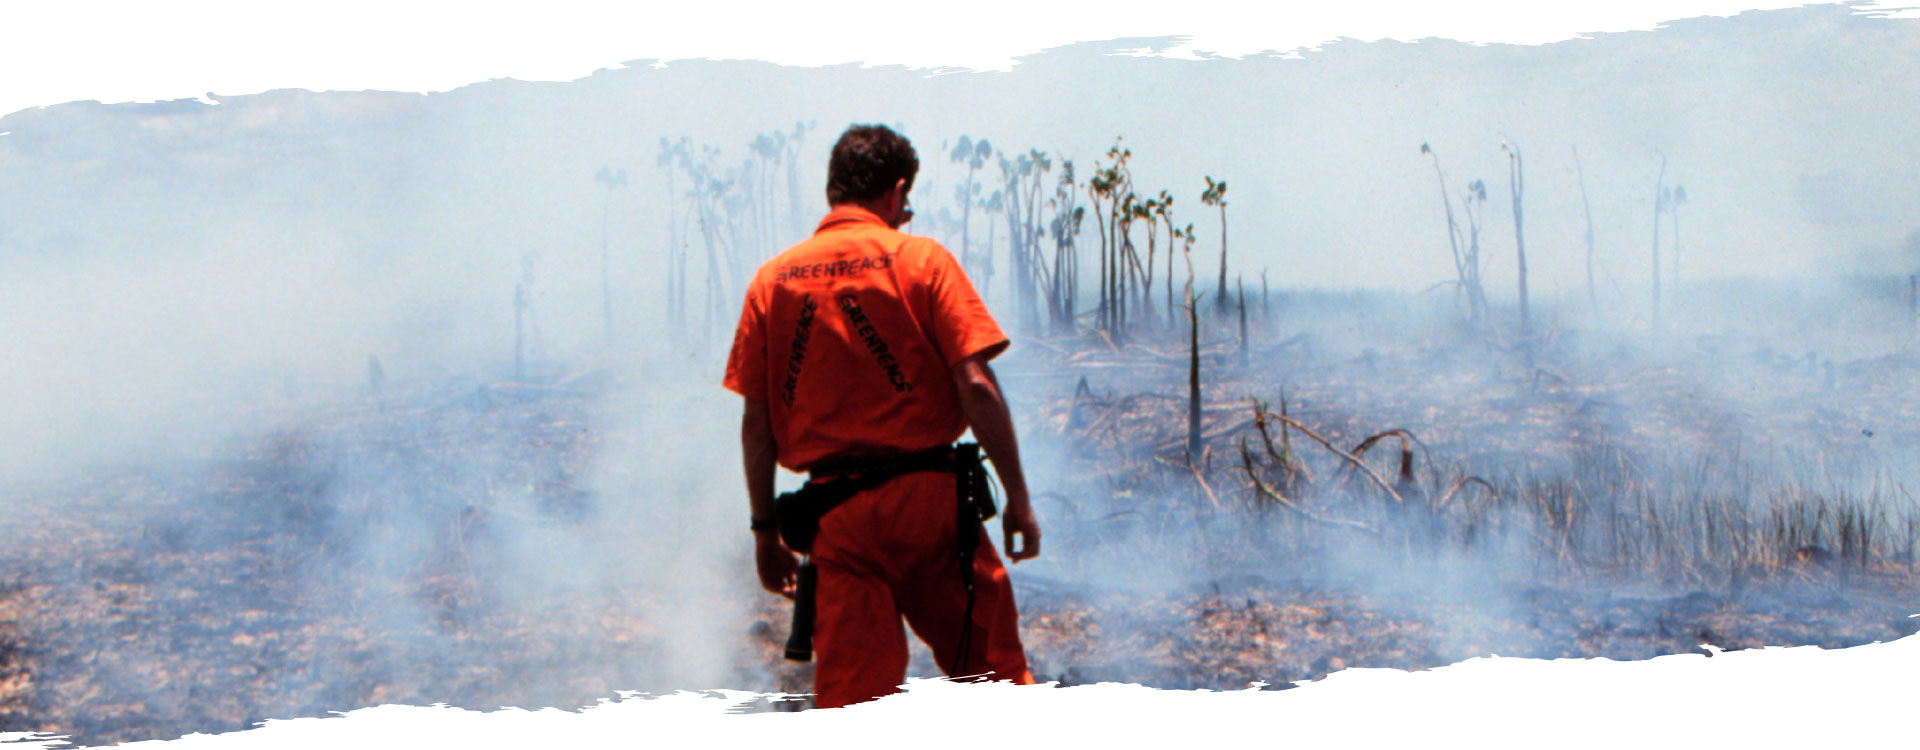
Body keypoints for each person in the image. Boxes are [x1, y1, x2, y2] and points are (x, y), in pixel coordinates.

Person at [722, 123, 1041, 708]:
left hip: (838, 520)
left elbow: (756, 424)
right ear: (895, 193)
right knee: (998, 688)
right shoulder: (920, 260)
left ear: (832, 192)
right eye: (905, 205)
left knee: (852, 709)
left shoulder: (774, 282)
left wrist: (765, 532)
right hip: (930, 507)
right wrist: (1018, 499)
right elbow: (976, 384)